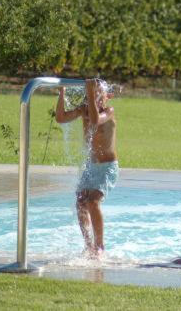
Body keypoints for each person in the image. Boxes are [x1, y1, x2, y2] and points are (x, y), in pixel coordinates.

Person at [55, 78, 119, 258]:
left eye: (99, 93)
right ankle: (89, 246)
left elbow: (96, 120)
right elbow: (60, 118)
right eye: (93, 92)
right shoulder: (84, 110)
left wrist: (90, 92)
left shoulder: (109, 111)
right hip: (91, 166)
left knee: (93, 201)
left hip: (107, 167)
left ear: (108, 96)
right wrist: (62, 93)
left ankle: (100, 247)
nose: (96, 96)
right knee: (81, 201)